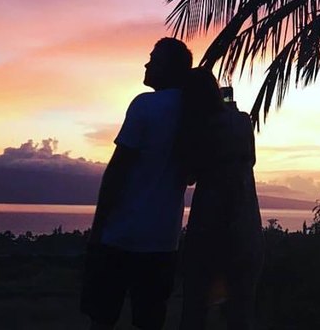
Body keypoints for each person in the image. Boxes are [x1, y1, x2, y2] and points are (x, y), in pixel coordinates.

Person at [81, 37, 193, 330]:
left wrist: (98, 228)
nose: (147, 63)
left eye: (154, 59)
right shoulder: (195, 112)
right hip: (163, 240)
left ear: (169, 68)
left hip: (122, 234)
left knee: (102, 318)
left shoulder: (146, 105)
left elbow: (118, 170)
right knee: (150, 320)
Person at [179, 68, 264, 330]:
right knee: (240, 309)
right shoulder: (241, 121)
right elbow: (251, 158)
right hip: (246, 218)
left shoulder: (200, 127)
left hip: (210, 219)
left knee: (196, 305)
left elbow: (189, 173)